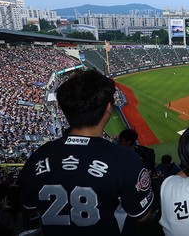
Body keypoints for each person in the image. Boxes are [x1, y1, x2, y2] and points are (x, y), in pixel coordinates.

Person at [19, 70, 153, 236]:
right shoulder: (125, 159)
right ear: (109, 108)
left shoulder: (38, 156)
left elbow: (31, 208)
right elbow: (141, 215)